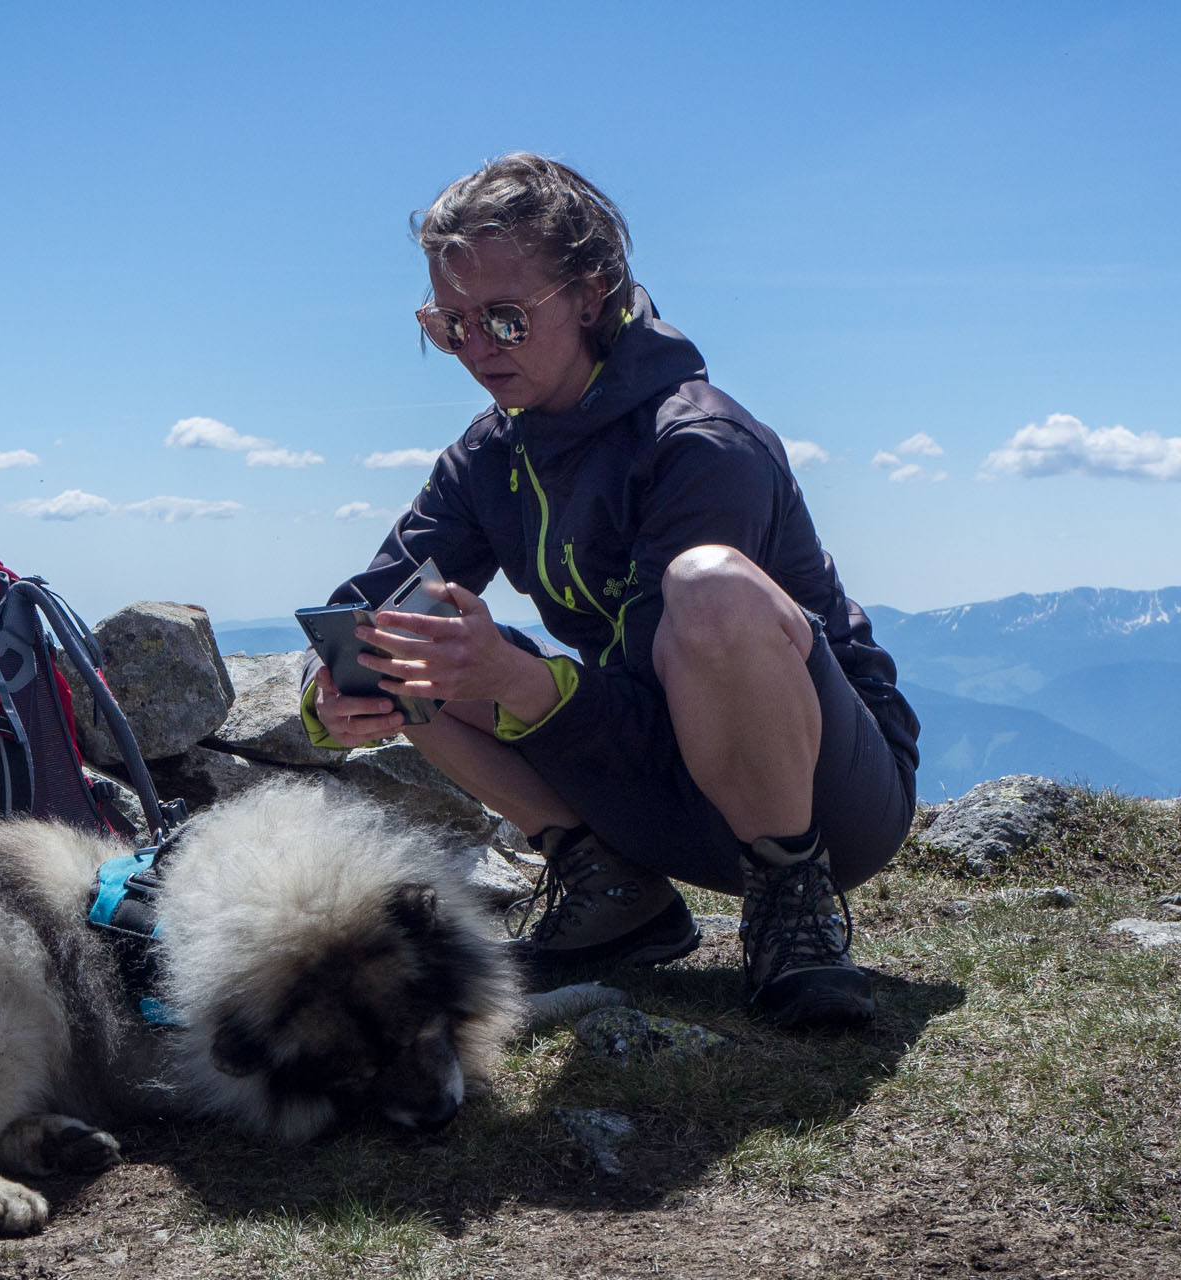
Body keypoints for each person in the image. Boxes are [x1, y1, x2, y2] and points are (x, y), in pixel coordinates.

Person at [301, 153, 919, 1032]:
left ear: (591, 295)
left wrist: (517, 683)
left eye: (506, 319)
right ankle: (613, 889)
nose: (478, 350)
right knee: (413, 643)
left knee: (711, 589)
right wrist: (334, 698)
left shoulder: (699, 442)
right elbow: (369, 606)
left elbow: (660, 710)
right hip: (664, 788)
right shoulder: (491, 455)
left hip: (827, 800)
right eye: (451, 325)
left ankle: (794, 906)